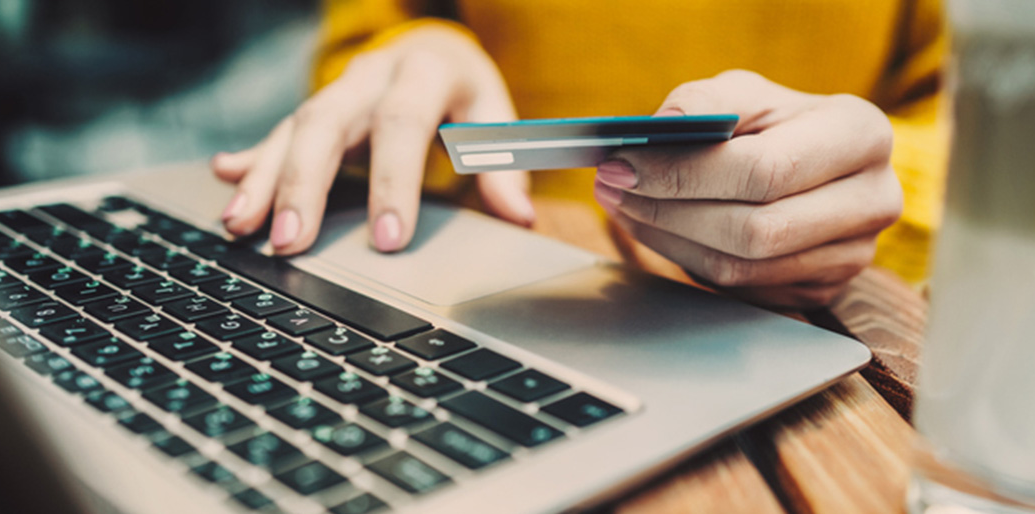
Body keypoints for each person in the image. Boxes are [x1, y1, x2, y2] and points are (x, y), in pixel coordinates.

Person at [211, 0, 948, 307]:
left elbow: (970, 131)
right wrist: (412, 53)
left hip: (812, 317)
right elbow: (366, 39)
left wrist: (866, 194)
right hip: (459, 287)